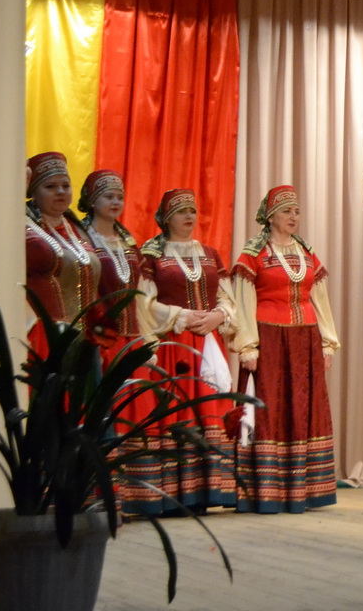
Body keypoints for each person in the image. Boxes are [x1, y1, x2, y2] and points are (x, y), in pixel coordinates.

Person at [230, 185, 340, 513]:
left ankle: (302, 489)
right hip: (269, 339)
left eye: (296, 211)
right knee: (271, 407)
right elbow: (243, 302)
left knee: (304, 407)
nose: (293, 217)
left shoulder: (306, 253)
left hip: (305, 340)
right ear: (270, 216)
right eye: (286, 211)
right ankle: (265, 490)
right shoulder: (253, 254)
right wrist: (248, 345)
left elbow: (320, 299)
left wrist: (328, 341)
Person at [136, 188, 238, 512]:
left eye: (192, 210)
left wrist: (219, 315)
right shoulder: (151, 255)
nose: (189, 216)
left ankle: (207, 490)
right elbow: (143, 303)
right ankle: (174, 492)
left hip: (206, 342)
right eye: (181, 211)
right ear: (167, 218)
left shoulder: (209, 253)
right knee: (177, 410)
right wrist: (180, 316)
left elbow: (226, 296)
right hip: (174, 345)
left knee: (207, 410)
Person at [79, 169, 162, 512]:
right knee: (105, 414)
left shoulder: (129, 243)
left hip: (130, 341)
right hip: (102, 339)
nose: (115, 202)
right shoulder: (82, 240)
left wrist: (146, 339)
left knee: (135, 415)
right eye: (108, 196)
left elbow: (140, 298)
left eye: (119, 197)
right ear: (91, 201)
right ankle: (104, 495)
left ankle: (138, 497)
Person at [24, 151, 101, 356]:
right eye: (50, 187)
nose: (60, 191)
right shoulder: (25, 230)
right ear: (33, 192)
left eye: (66, 186)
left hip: (87, 341)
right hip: (44, 336)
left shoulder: (78, 229)